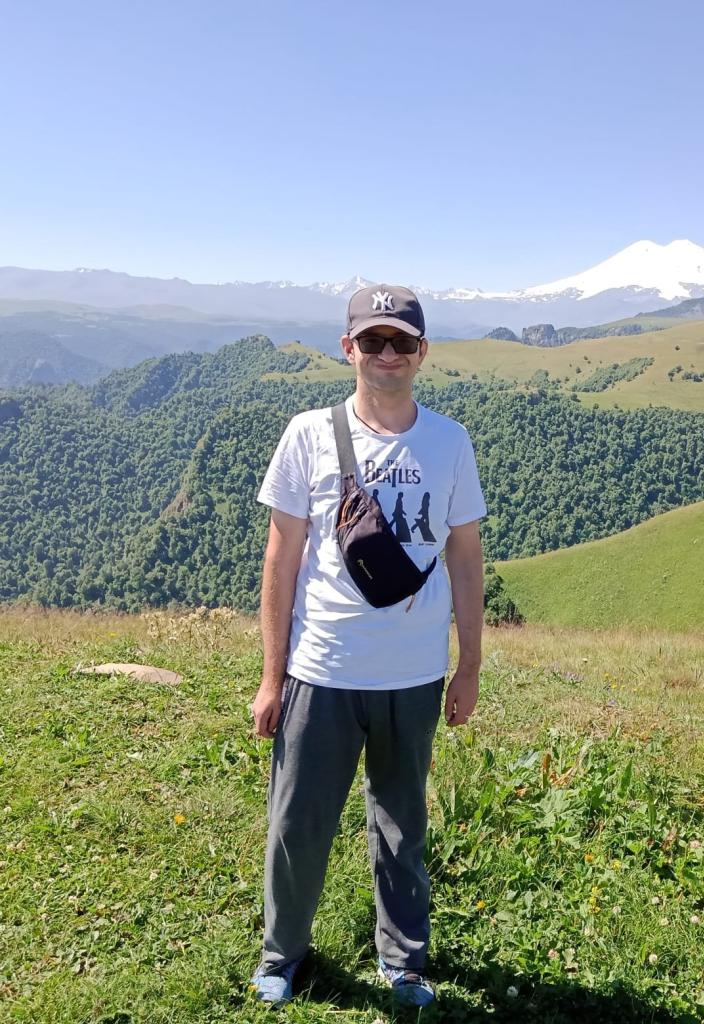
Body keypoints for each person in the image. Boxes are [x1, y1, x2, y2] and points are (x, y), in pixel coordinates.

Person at [248, 283, 486, 1009]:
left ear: (422, 352)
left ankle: (403, 962)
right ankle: (282, 954)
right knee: (297, 824)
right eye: (373, 340)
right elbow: (281, 560)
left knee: (402, 825)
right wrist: (271, 677)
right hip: (321, 668)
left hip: (414, 673)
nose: (388, 354)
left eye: (401, 341)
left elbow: (465, 556)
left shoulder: (450, 441)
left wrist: (469, 666)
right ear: (347, 348)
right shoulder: (307, 434)